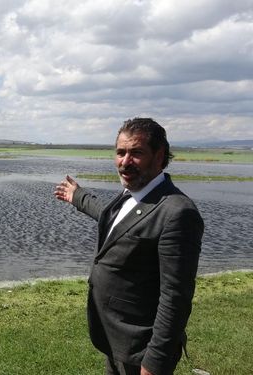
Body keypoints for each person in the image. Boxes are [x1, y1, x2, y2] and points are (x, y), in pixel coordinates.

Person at [53, 118, 204, 375]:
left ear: (160, 156)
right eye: (120, 153)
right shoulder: (131, 196)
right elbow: (112, 218)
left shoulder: (177, 212)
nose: (125, 161)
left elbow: (175, 299)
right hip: (117, 338)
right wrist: (78, 197)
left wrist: (155, 362)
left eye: (136, 153)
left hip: (141, 347)